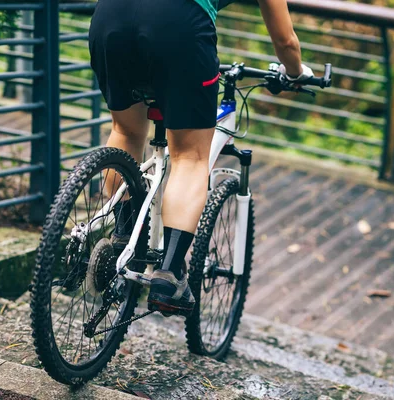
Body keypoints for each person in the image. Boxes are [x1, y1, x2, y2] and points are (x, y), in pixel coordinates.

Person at [89, 0, 313, 317]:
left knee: (126, 131)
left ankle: (123, 235)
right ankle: (169, 275)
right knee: (190, 156)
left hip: (110, 16)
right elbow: (286, 41)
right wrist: (296, 73)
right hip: (177, 22)